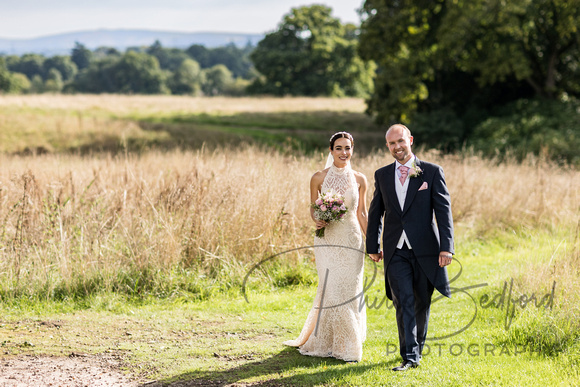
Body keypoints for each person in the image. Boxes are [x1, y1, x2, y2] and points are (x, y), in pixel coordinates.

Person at [366, 124, 454, 371]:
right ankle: (410, 356)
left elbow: (443, 213)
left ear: (411, 140)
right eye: (392, 144)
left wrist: (446, 248)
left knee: (421, 302)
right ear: (387, 146)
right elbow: (376, 213)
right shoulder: (382, 175)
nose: (397, 147)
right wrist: (373, 245)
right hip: (395, 251)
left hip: (425, 250)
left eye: (401, 141)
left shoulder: (432, 172)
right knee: (402, 300)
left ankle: (416, 348)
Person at [284, 131, 368, 363]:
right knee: (331, 288)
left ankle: (348, 343)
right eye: (339, 148)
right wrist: (317, 218)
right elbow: (313, 207)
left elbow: (362, 212)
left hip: (352, 240)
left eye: (348, 148)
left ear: (352, 150)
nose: (344, 152)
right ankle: (328, 341)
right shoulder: (318, 177)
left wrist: (371, 241)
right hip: (327, 240)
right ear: (330, 151)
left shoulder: (360, 179)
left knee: (349, 291)